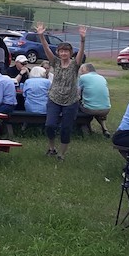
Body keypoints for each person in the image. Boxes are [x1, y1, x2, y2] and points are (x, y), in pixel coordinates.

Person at [36, 22, 87, 160]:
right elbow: (46, 49)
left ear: (70, 53)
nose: (63, 53)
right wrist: (41, 36)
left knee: (66, 128)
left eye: (66, 51)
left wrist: (82, 40)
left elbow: (81, 54)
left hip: (71, 101)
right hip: (54, 98)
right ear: (58, 52)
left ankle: (62, 154)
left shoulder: (75, 65)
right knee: (50, 125)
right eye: (61, 51)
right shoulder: (55, 62)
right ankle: (51, 148)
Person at [78, 63, 111, 137]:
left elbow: (77, 94)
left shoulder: (83, 77)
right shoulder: (102, 77)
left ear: (85, 69)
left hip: (90, 109)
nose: (80, 72)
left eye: (81, 70)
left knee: (78, 105)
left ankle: (83, 127)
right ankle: (105, 129)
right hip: (106, 108)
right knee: (96, 106)